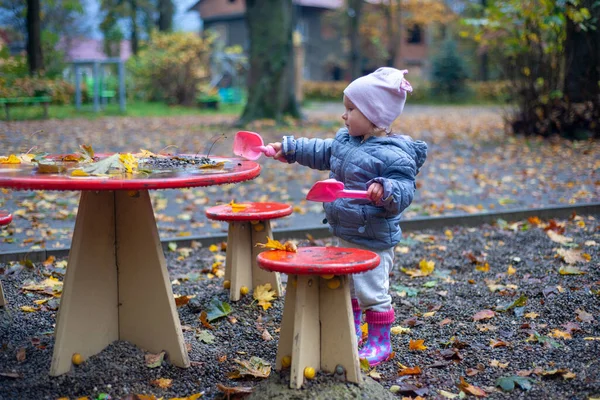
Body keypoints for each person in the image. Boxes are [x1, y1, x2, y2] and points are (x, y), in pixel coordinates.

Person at [267, 67, 428, 366]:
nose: (345, 115)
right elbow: (320, 150)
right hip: (345, 232)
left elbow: (405, 189)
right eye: (346, 108)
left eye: (351, 109)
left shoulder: (395, 154)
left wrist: (386, 188)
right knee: (348, 287)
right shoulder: (345, 140)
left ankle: (380, 341)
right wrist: (288, 148)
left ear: (374, 117)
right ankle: (349, 330)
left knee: (371, 291)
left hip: (373, 240)